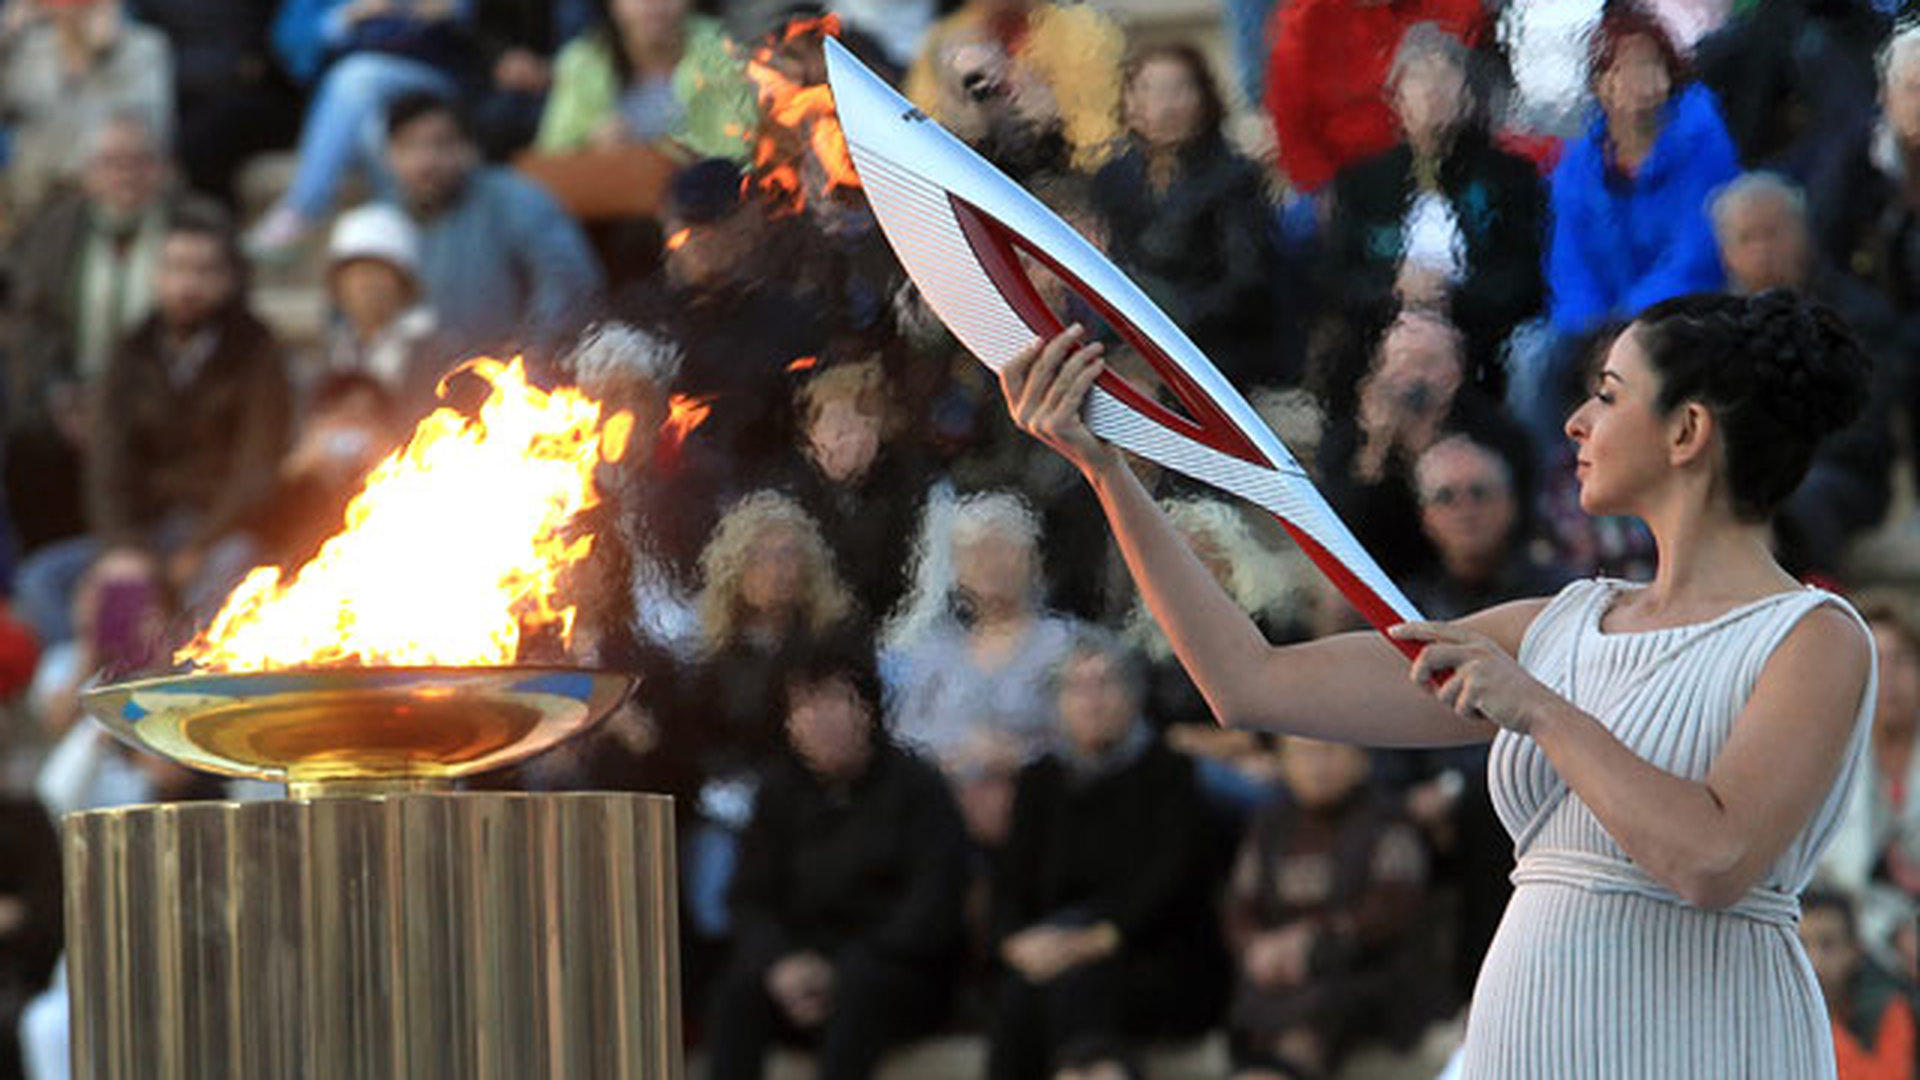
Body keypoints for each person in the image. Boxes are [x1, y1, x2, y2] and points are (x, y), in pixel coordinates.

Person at [998, 286, 1879, 1076]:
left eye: (1607, 396)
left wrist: (1537, 708)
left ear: (1688, 433)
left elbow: (1713, 861)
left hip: (1708, 1039)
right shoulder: (1557, 623)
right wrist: (1106, 469)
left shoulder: (1811, 635)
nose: (1574, 422)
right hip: (1527, 1034)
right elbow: (1251, 682)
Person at [705, 628, 968, 1080]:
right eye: (804, 705)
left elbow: (934, 903)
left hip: (893, 972)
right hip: (795, 972)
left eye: (833, 699)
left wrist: (838, 970)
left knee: (862, 990)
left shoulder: (916, 786)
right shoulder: (778, 791)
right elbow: (749, 897)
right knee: (736, 996)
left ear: (865, 709)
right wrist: (780, 964)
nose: (819, 717)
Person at [986, 628, 1224, 1080]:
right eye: (1077, 687)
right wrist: (1016, 942)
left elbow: (1174, 881)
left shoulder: (1168, 771)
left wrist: (1094, 940)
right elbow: (1011, 879)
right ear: (1059, 702)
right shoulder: (1041, 779)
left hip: (1150, 952)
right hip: (1057, 945)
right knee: (1018, 997)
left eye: (1105, 684)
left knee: (1077, 989)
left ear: (1133, 696)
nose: (1091, 701)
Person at [1224, 737, 1433, 1078]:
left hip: (1360, 973)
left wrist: (1313, 941)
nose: (1317, 766)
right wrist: (1255, 947)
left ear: (1361, 760)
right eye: (1304, 754)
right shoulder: (1269, 824)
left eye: (1329, 751)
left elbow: (1392, 910)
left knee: (1312, 1019)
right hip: (1277, 980)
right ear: (1283, 763)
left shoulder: (1388, 819)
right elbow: (1240, 905)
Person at [1089, 43, 1275, 391]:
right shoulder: (1112, 178)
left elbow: (1246, 278)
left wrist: (1176, 323)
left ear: (1204, 98)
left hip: (1209, 340)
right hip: (1129, 337)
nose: (1165, 106)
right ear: (1129, 102)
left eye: (1179, 90)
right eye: (1150, 91)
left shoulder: (1234, 177)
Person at [379, 92, 604, 359]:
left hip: (514, 382)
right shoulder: (383, 222)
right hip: (421, 387)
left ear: (467, 148)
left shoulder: (514, 199)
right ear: (389, 155)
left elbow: (570, 284)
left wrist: (527, 359)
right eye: (410, 146)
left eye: (441, 144)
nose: (427, 161)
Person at [533, 0, 756, 161]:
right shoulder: (581, 62)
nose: (653, 4)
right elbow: (551, 158)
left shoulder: (727, 50)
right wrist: (591, 146)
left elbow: (746, 147)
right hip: (617, 211)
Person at [1800, 889, 1916, 1080]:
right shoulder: (1771, 1009)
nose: (1813, 962)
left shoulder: (1887, 1008)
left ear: (1854, 950)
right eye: (1801, 945)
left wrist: (1823, 1022)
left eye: (1828, 944)